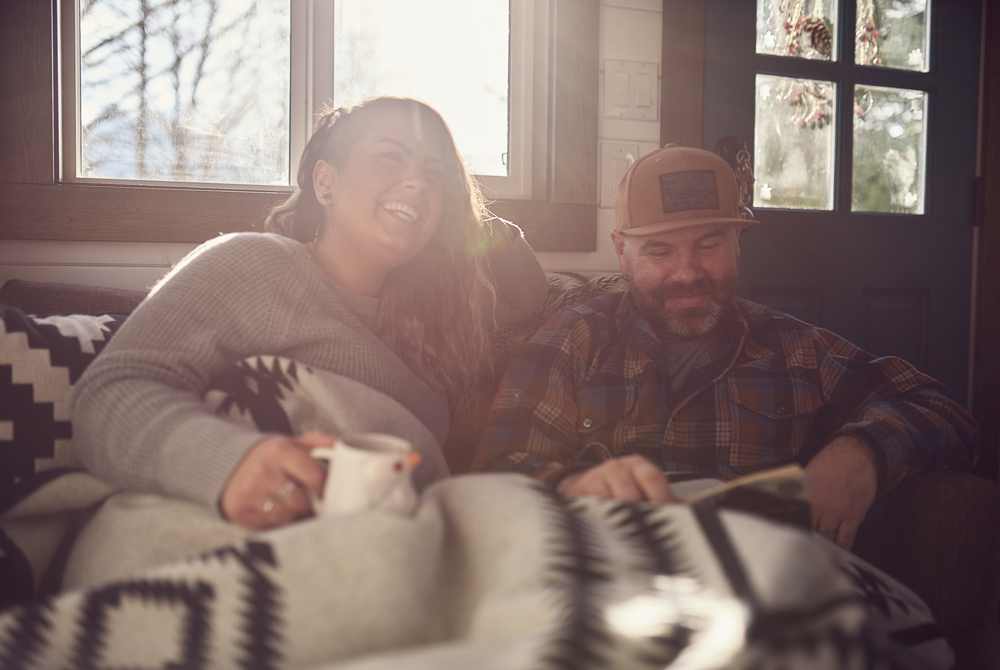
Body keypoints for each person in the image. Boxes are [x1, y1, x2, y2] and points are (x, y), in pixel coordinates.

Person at [71, 96, 548, 530]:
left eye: (435, 174)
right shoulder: (254, 263)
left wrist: (457, 209)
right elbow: (109, 392)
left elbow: (530, 295)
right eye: (390, 156)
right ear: (326, 183)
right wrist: (227, 462)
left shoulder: (439, 322)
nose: (418, 180)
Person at [472, 144, 978, 550]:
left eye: (708, 245)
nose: (687, 272)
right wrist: (573, 489)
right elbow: (498, 472)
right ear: (621, 250)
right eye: (660, 251)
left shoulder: (795, 350)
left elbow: (940, 408)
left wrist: (862, 452)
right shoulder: (572, 338)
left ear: (737, 243)